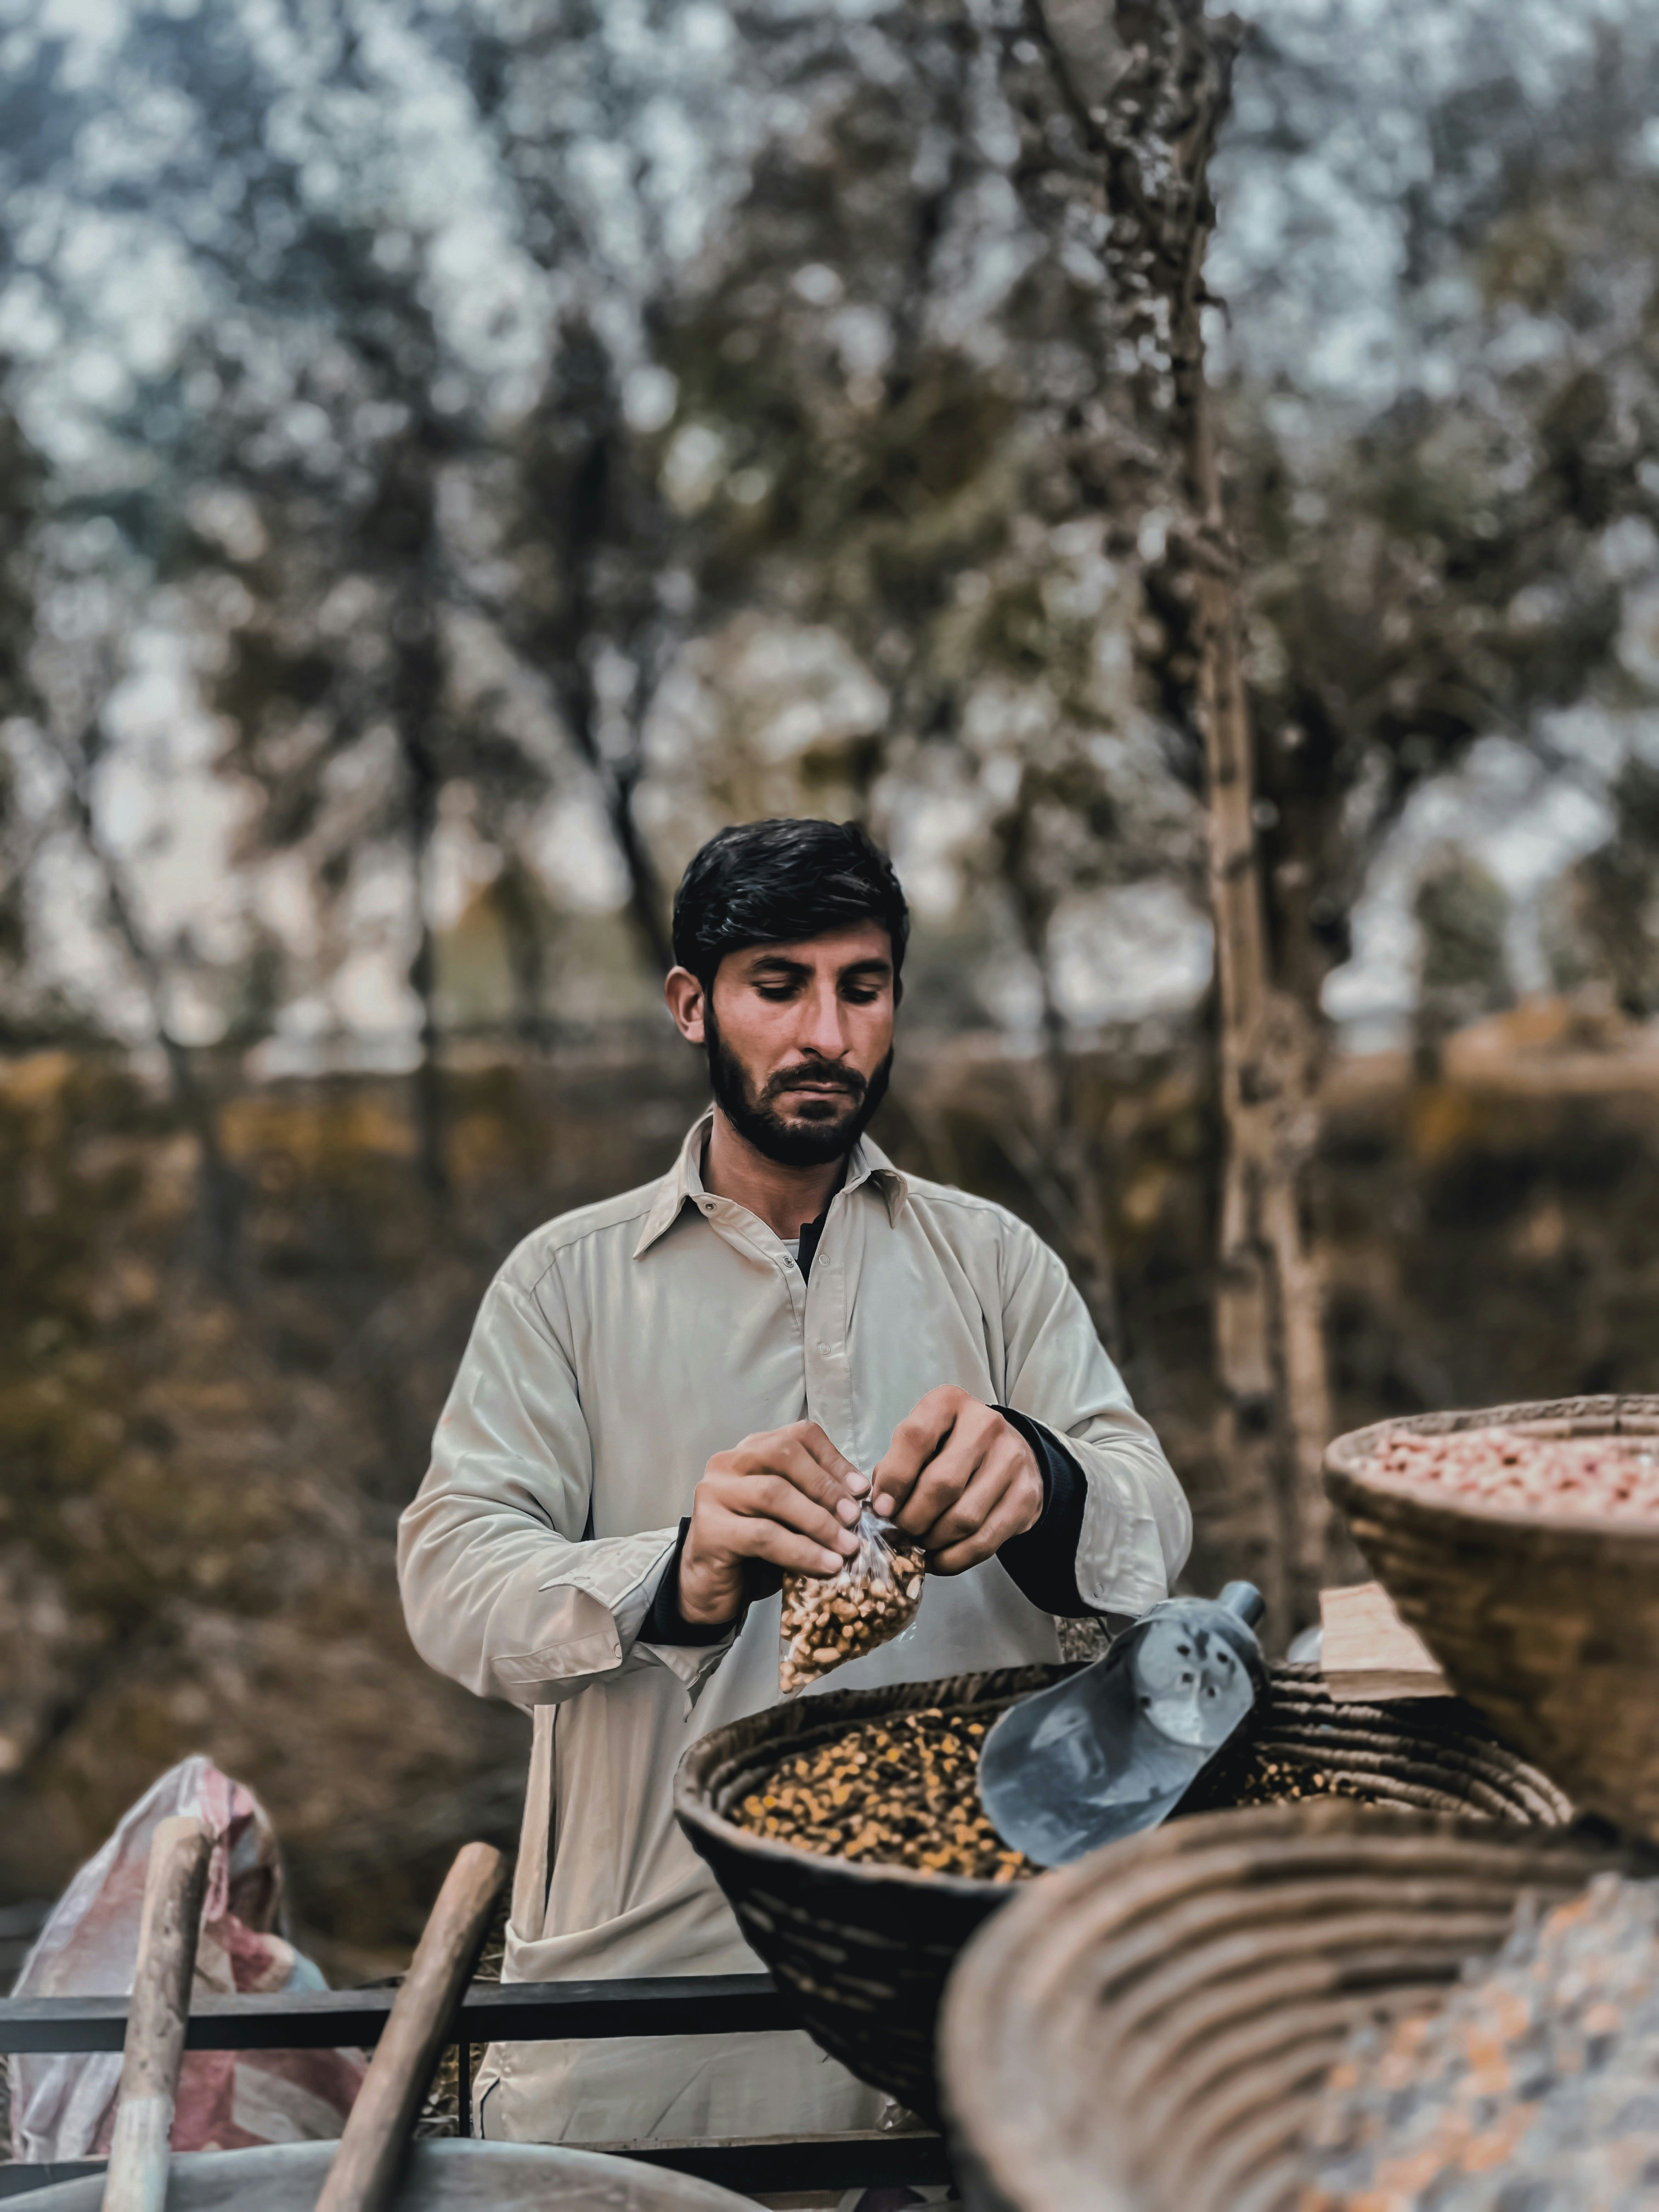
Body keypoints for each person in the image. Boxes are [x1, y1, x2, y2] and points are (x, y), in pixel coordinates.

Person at [398, 817, 1190, 2148]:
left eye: (862, 988)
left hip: (967, 1997)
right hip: (656, 2017)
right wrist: (679, 1570)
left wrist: (1047, 1485)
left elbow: (1150, 1524)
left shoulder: (992, 1262)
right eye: (780, 986)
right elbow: (452, 1570)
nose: (827, 1031)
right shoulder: (566, 1285)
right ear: (690, 1005)